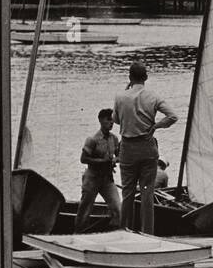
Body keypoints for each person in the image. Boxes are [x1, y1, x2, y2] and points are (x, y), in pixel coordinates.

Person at [114, 62, 178, 234]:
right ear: (146, 78)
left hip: (127, 148)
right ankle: (147, 233)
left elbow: (116, 119)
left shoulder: (120, 97)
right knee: (147, 194)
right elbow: (173, 116)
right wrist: (156, 126)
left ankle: (124, 230)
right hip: (147, 147)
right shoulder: (153, 97)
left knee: (127, 193)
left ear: (129, 77)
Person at [73, 108, 122, 233]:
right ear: (100, 121)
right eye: (108, 120)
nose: (111, 123)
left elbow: (120, 155)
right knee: (85, 210)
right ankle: (78, 234)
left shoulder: (114, 139)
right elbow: (83, 159)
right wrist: (101, 161)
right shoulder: (92, 139)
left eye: (112, 120)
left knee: (118, 208)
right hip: (92, 178)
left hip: (107, 180)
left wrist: (115, 160)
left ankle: (115, 233)